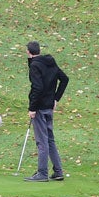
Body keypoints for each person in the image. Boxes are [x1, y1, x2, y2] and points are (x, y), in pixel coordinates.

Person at [23, 41, 69, 182]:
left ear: (28, 52)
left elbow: (38, 88)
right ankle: (58, 171)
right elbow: (64, 79)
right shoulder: (50, 62)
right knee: (49, 139)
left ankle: (42, 173)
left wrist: (32, 108)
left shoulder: (35, 66)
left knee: (42, 141)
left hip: (40, 108)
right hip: (49, 106)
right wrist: (55, 99)